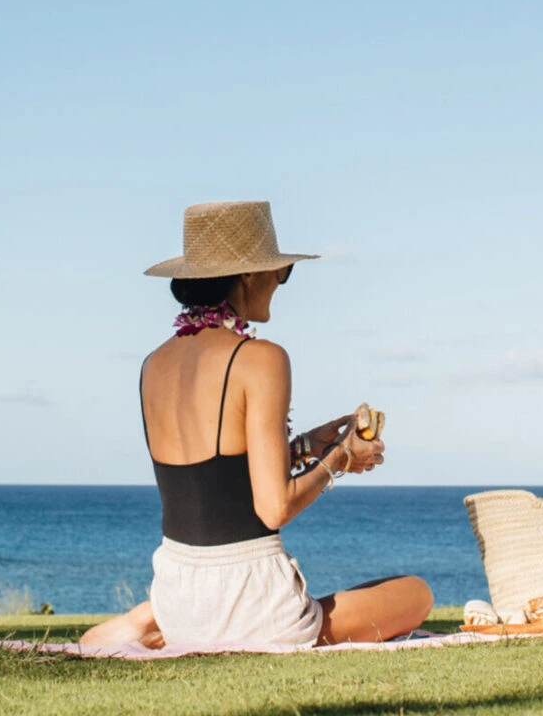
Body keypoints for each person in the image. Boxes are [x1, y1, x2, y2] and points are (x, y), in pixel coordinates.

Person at [80, 201, 433, 649]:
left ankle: (150, 621)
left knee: (196, 611)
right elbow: (273, 508)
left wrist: (307, 444)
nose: (280, 283)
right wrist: (341, 457)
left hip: (177, 591)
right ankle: (205, 625)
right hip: (252, 603)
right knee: (415, 594)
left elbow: (214, 484)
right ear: (248, 274)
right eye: (280, 272)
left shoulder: (154, 363)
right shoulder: (261, 359)